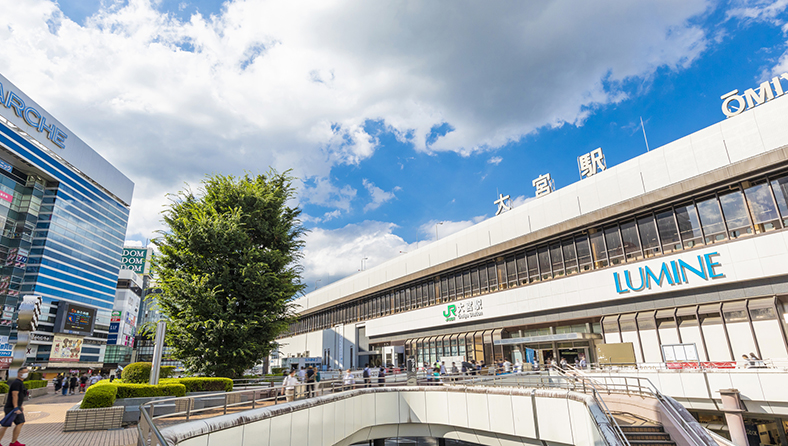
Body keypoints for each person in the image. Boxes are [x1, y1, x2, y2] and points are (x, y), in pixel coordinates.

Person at [0, 366, 28, 446]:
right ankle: (13, 442)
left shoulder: (19, 383)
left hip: (14, 407)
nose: (26, 374)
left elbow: (19, 396)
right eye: (24, 372)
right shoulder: (17, 383)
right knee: (18, 422)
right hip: (12, 408)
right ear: (19, 373)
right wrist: (16, 407)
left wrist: (20, 405)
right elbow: (14, 395)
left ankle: (14, 442)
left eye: (27, 372)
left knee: (8, 424)